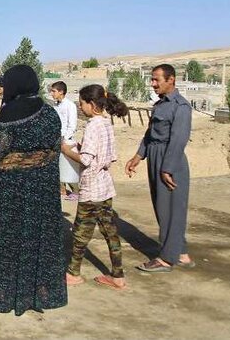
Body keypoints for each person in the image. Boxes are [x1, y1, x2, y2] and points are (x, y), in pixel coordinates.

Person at [0, 65, 67, 316]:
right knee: (39, 236)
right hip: (42, 187)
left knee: (8, 238)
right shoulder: (50, 114)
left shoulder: (9, 115)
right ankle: (41, 293)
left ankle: (4, 295)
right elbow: (54, 150)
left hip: (12, 188)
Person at [125, 64, 194, 272]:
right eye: (152, 80)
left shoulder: (180, 106)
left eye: (157, 80)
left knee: (169, 210)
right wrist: (138, 156)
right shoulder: (160, 105)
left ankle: (166, 258)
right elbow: (150, 134)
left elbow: (178, 140)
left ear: (171, 79)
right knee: (164, 207)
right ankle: (181, 253)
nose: (153, 84)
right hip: (156, 156)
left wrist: (167, 168)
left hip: (169, 160)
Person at [60, 84, 129, 290]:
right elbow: (106, 154)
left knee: (80, 233)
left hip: (92, 189)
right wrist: (82, 148)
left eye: (81, 104)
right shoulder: (106, 123)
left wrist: (66, 150)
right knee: (110, 232)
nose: (80, 108)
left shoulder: (92, 125)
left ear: (91, 104)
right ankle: (117, 275)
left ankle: (73, 273)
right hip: (105, 187)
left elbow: (87, 160)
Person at [50, 81, 80, 200]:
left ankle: (76, 191)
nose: (52, 93)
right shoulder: (56, 106)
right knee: (59, 165)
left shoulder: (70, 105)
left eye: (54, 91)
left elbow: (72, 125)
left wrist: (65, 138)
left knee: (69, 166)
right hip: (56, 139)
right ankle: (61, 189)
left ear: (61, 92)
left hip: (66, 140)